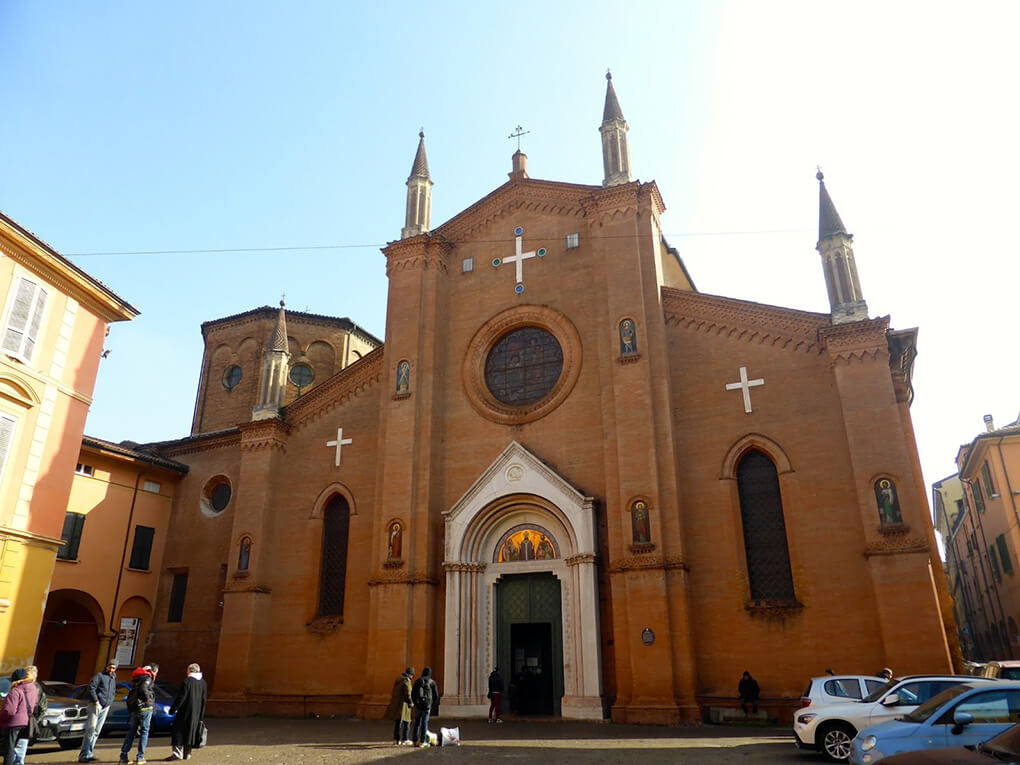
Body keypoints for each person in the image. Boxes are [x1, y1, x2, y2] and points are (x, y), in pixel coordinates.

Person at [166, 663, 207, 761]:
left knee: (178, 732)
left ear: (189, 671)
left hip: (184, 712)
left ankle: (177, 754)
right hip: (196, 714)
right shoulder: (203, 683)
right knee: (190, 734)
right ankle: (187, 754)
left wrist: (173, 709)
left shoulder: (187, 682)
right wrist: (201, 715)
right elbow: (204, 700)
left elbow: (181, 697)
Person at [79, 659, 118, 763]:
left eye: (114, 668)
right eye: (110, 667)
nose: (111, 669)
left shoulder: (113, 678)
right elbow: (91, 687)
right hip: (96, 705)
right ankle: (83, 755)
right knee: (90, 730)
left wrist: (110, 701)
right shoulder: (99, 676)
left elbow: (113, 690)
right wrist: (96, 701)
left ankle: (89, 753)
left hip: (106, 706)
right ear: (107, 666)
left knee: (96, 731)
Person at [120, 663, 159, 764]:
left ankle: (123, 756)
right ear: (153, 671)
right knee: (144, 732)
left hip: (134, 708)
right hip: (145, 709)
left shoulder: (137, 678)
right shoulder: (148, 678)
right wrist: (148, 700)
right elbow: (143, 689)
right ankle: (140, 757)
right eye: (156, 672)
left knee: (131, 732)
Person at [1, 668, 38, 765]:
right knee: (19, 747)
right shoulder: (33, 689)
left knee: (9, 749)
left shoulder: (15, 691)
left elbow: (9, 710)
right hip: (25, 722)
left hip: (12, 723)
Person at [383, 667, 414, 746]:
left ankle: (396, 739)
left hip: (397, 704)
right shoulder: (406, 681)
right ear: (410, 675)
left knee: (398, 723)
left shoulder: (398, 680)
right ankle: (405, 739)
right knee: (407, 723)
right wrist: (411, 703)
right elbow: (408, 694)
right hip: (404, 706)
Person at [410, 667, 438, 748]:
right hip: (427, 706)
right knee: (424, 723)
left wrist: (415, 703)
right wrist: (431, 705)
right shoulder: (432, 682)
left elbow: (413, 693)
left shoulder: (418, 681)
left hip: (418, 706)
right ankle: (423, 741)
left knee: (417, 723)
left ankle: (415, 740)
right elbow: (436, 695)